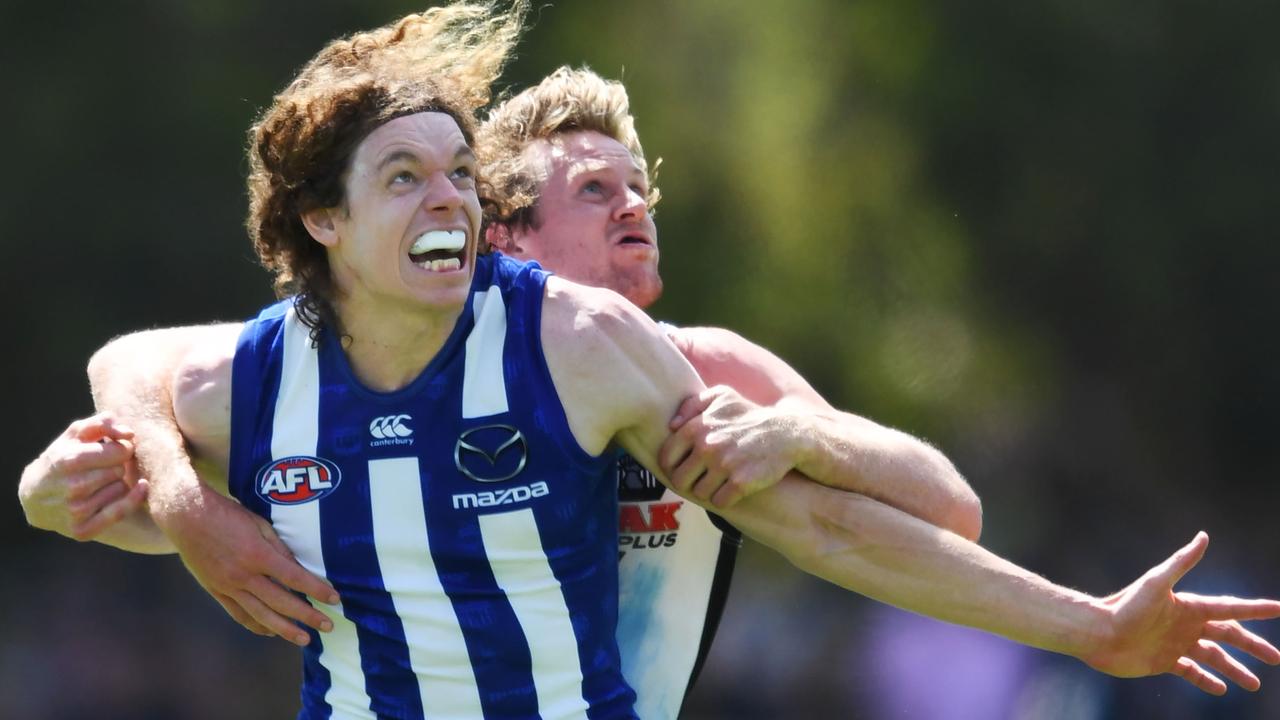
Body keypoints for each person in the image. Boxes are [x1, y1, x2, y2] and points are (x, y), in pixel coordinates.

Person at [18, 4, 1280, 718]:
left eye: (452, 170)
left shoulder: (614, 355)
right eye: (405, 178)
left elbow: (867, 524)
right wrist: (178, 505)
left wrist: (1085, 627)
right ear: (323, 226)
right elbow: (106, 397)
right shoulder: (271, 374)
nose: (634, 211)